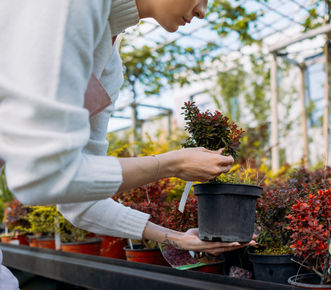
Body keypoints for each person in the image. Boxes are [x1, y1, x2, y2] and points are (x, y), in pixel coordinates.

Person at [0, 0, 255, 288]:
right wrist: (171, 163)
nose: (202, 11)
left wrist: (177, 238)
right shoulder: (73, 7)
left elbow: (79, 202)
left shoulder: (109, 65)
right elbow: (41, 178)